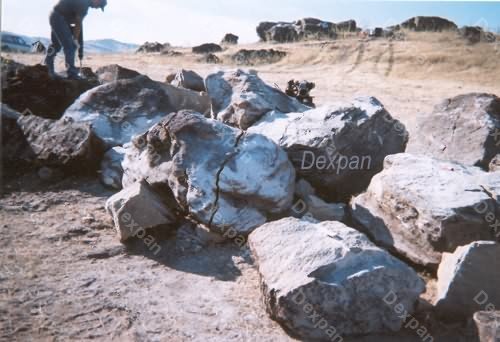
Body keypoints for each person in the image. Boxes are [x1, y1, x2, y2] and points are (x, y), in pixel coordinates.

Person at [44, 0, 107, 80]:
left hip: (55, 15)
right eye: (99, 5)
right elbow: (78, 23)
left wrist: (75, 38)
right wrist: (75, 40)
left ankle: (48, 67)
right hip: (59, 17)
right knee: (70, 46)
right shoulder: (84, 5)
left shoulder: (84, 3)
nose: (97, 8)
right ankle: (72, 73)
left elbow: (78, 25)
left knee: (56, 45)